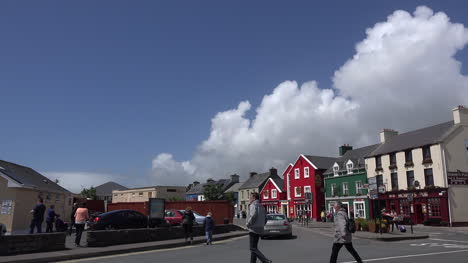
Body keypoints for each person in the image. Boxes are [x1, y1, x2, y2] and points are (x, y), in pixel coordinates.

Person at [247, 192, 272, 263]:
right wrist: (262, 225)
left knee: (252, 248)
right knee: (254, 248)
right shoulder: (262, 206)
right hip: (260, 229)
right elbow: (266, 218)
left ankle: (265, 260)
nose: (249, 199)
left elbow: (253, 216)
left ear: (254, 198)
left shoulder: (253, 205)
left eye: (250, 197)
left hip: (253, 229)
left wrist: (248, 224)